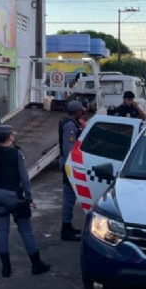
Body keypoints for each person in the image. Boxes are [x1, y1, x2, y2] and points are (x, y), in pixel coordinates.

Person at [0, 125, 50, 278]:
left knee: (2, 231)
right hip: (14, 197)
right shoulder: (16, 154)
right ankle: (36, 264)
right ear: (9, 137)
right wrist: (29, 198)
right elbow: (25, 179)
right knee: (25, 229)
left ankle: (6, 269)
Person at [58, 100, 84, 241]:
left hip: (68, 164)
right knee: (69, 198)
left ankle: (68, 225)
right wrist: (73, 167)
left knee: (70, 197)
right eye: (81, 110)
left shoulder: (72, 123)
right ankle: (65, 229)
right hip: (69, 164)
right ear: (78, 111)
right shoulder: (69, 125)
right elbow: (69, 149)